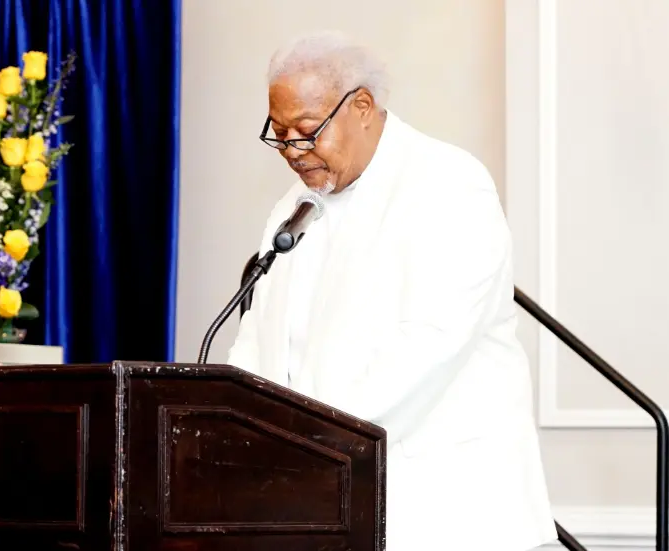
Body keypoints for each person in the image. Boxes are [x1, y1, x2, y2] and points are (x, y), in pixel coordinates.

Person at [227, 30, 557, 551]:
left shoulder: (448, 183)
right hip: (320, 495)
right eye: (280, 133)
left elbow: (429, 345)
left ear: (361, 106)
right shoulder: (294, 206)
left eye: (307, 131)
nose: (291, 150)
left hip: (445, 508)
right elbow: (260, 346)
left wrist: (305, 443)